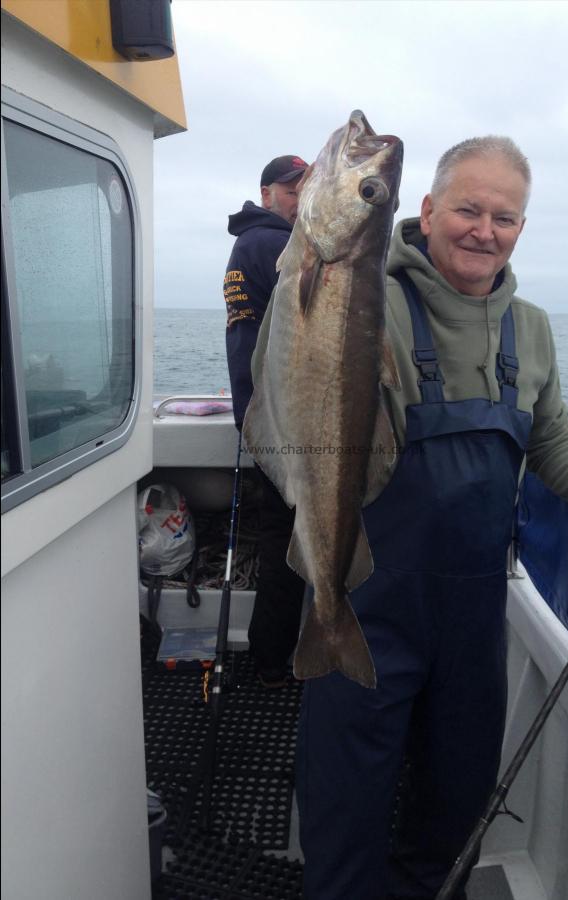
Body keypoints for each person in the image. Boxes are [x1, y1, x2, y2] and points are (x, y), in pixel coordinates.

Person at [284, 137, 568, 899]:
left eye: (504, 216)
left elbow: (550, 434)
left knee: (456, 791)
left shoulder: (529, 327)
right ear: (425, 211)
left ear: (520, 229)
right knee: (345, 795)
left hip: (470, 610)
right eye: (467, 208)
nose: (482, 230)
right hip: (364, 595)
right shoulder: (360, 295)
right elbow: (303, 390)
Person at [224, 154, 308, 687]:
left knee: (280, 537)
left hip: (260, 413)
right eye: (291, 189)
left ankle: (269, 655)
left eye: (306, 190)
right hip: (281, 421)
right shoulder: (273, 243)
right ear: (267, 192)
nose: (300, 199)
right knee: (288, 541)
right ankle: (274, 661)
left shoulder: (246, 243)